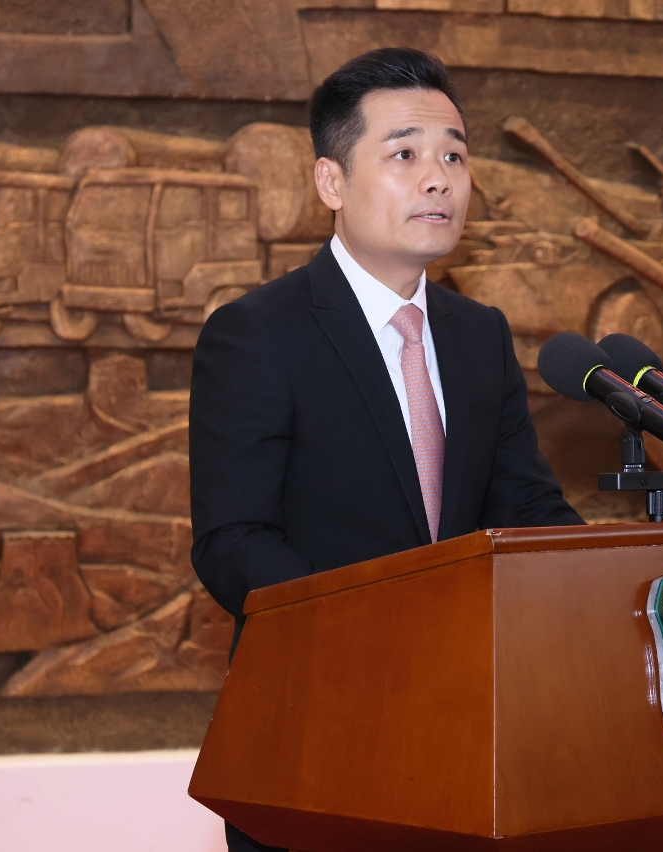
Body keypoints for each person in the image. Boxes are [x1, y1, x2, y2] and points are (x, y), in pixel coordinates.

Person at [188, 47, 584, 852]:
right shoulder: (257, 333)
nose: (438, 179)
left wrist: (607, 594)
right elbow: (235, 541)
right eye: (405, 155)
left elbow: (526, 507)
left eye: (454, 157)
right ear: (330, 182)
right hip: (316, 738)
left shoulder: (478, 335)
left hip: (470, 739)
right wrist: (381, 643)